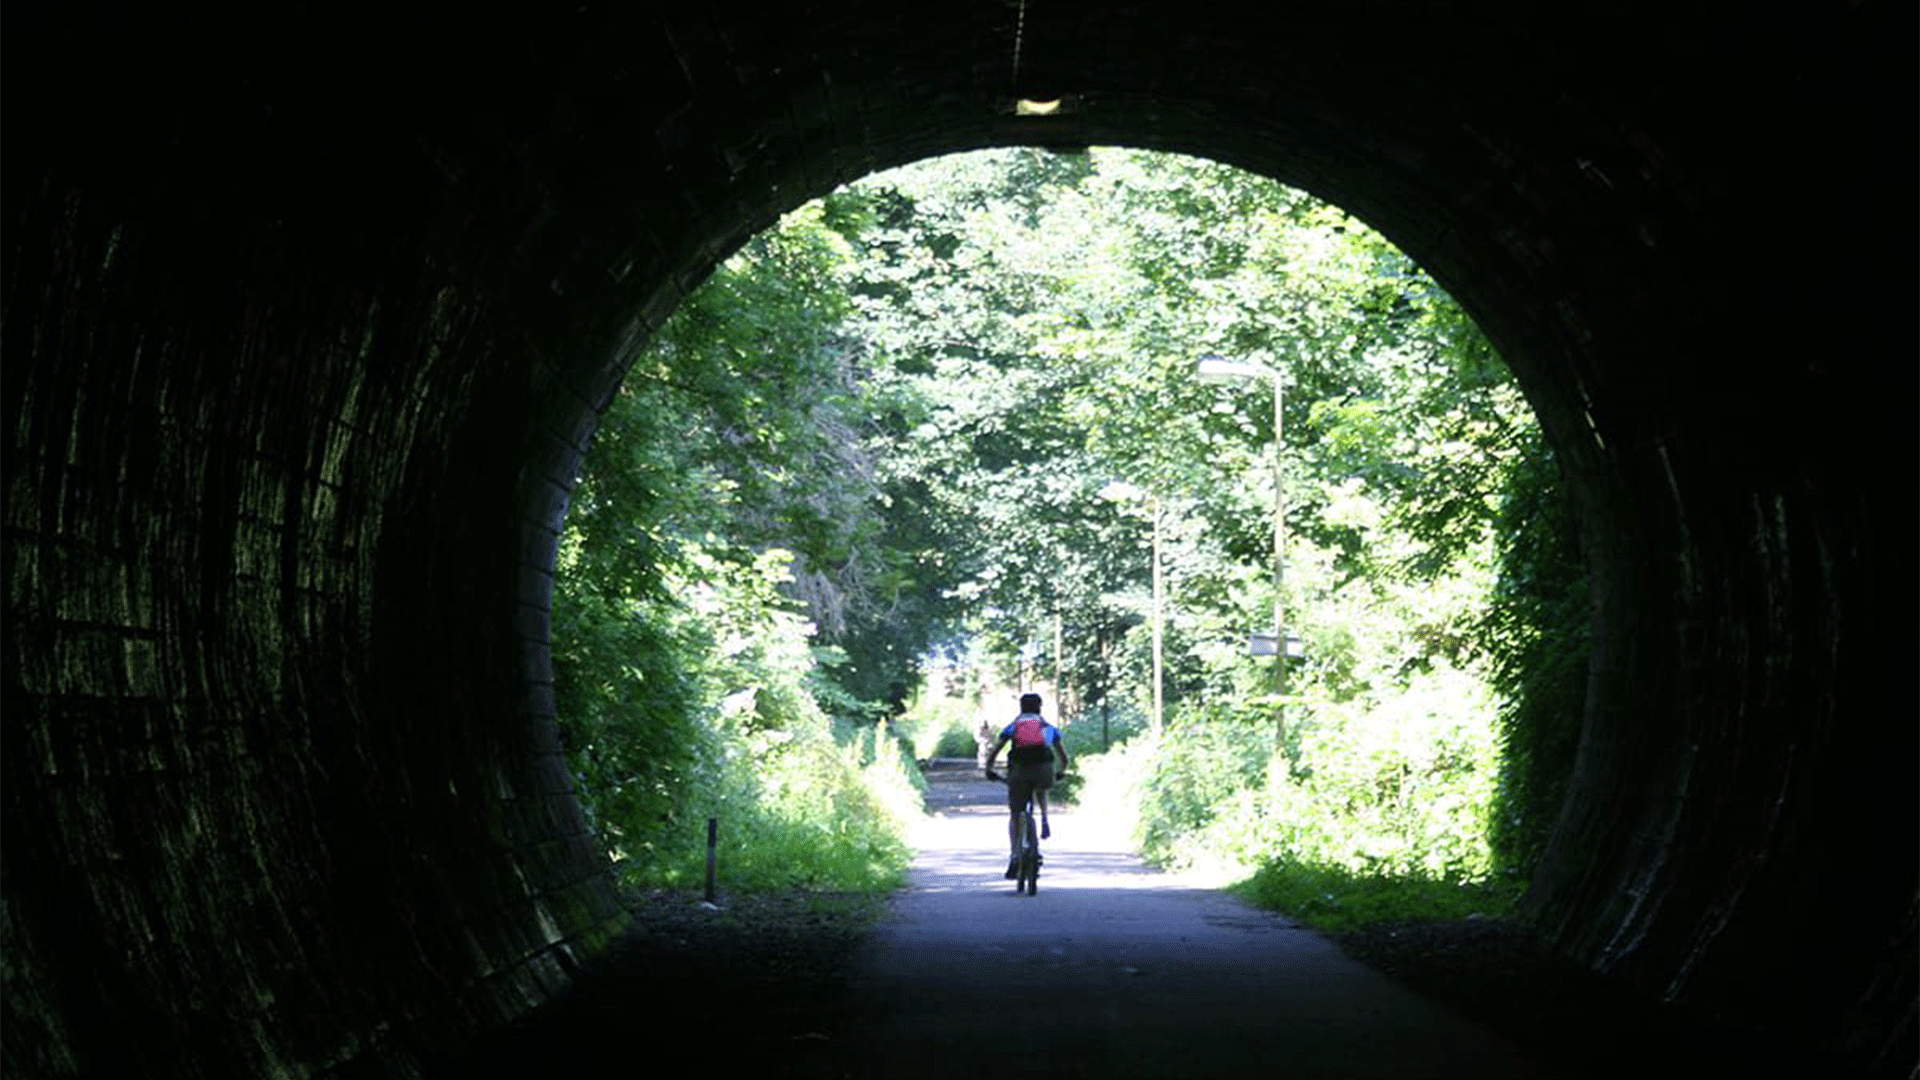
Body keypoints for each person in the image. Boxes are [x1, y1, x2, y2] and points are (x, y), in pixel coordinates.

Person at [983, 692, 1070, 879]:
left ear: (1021, 708)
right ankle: (1045, 820)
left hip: (1019, 773)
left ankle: (1015, 855)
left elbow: (995, 751)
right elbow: (1063, 758)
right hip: (1044, 774)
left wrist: (989, 769)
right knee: (1041, 789)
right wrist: (1061, 772)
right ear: (1040, 708)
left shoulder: (1014, 727)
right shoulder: (1048, 728)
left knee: (1015, 813)